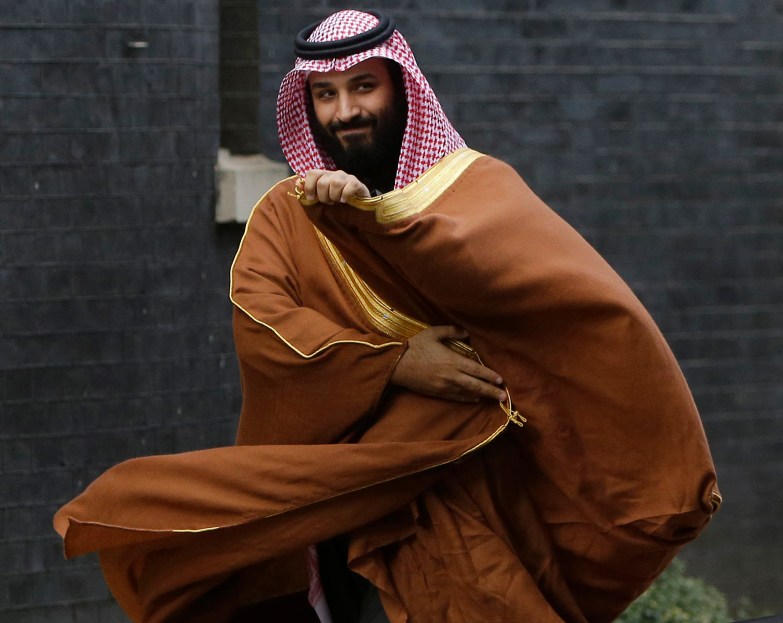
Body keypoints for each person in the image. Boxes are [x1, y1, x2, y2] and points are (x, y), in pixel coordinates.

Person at [55, 10, 720, 623]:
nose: (345, 112)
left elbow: (570, 312)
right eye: (325, 95)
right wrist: (397, 362)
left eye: (363, 87)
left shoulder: (480, 192)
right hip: (336, 510)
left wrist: (373, 221)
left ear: (401, 87)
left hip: (469, 498)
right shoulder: (287, 216)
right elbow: (265, 325)